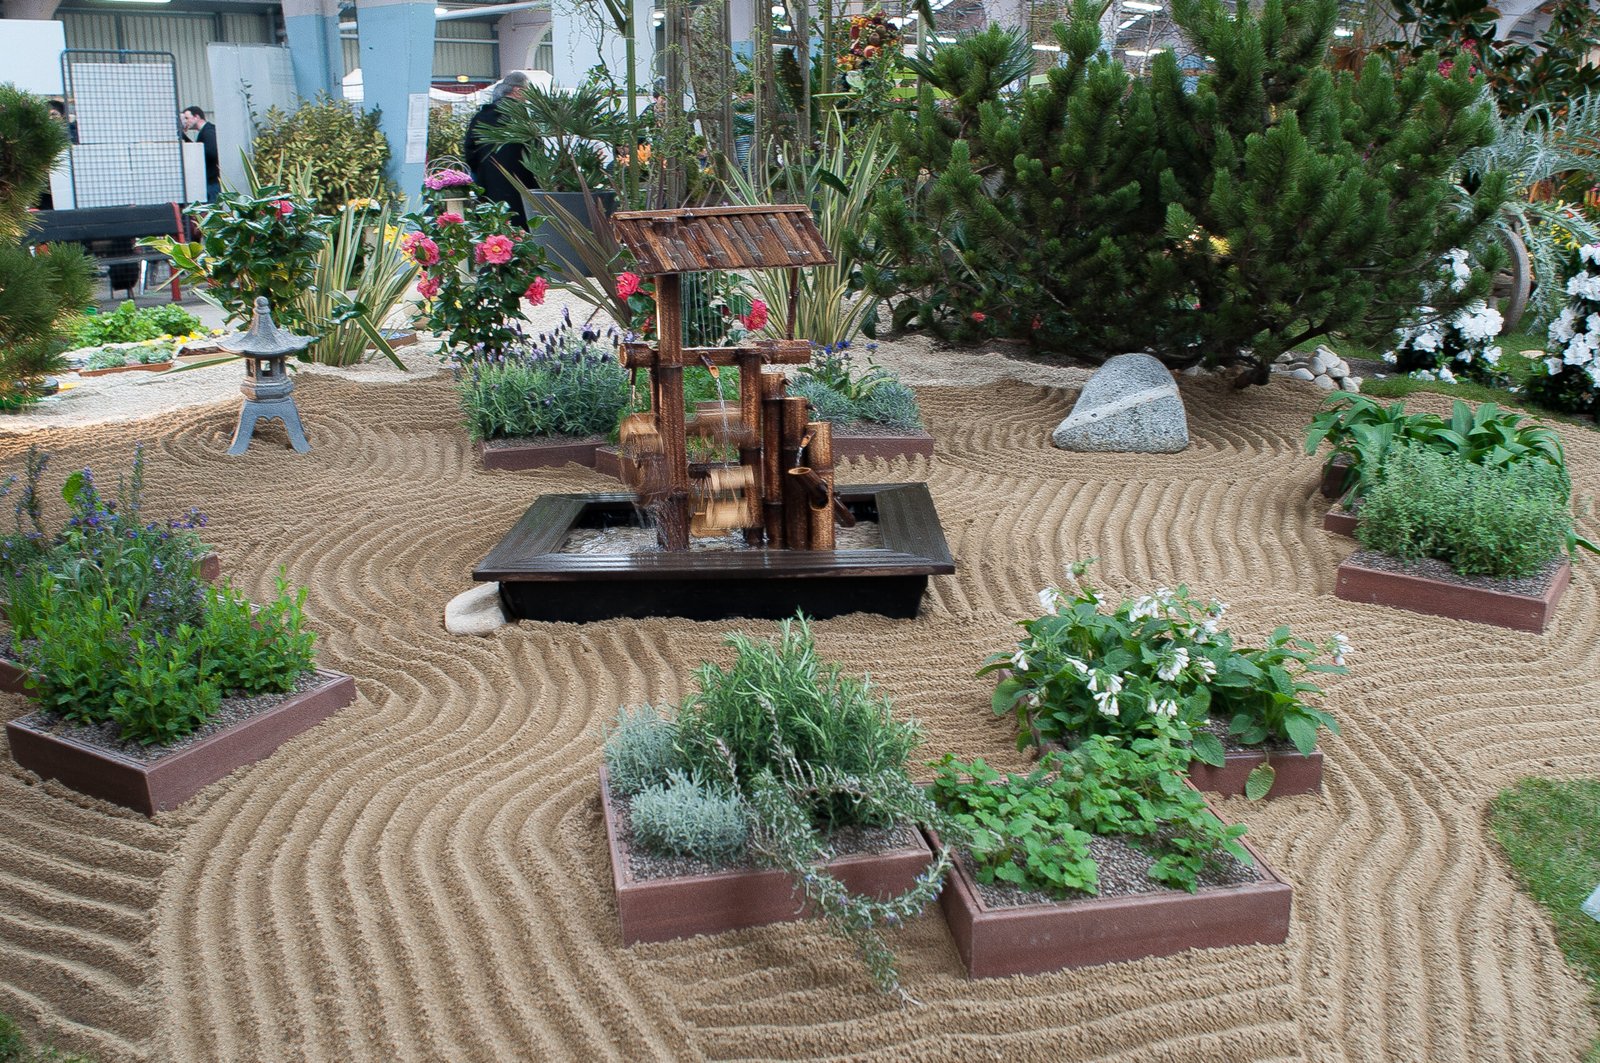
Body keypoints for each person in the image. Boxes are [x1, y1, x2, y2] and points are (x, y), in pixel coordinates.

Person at [462, 71, 537, 229]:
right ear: (518, 91)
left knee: (492, 232)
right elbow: (535, 154)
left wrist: (483, 172)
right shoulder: (522, 119)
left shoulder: (480, 117)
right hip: (520, 187)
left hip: (488, 186)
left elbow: (469, 152)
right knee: (520, 232)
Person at [181, 106, 220, 202]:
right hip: (212, 180)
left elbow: (211, 152)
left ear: (196, 117)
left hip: (212, 181)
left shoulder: (208, 132)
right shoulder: (206, 131)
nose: (186, 122)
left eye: (187, 118)